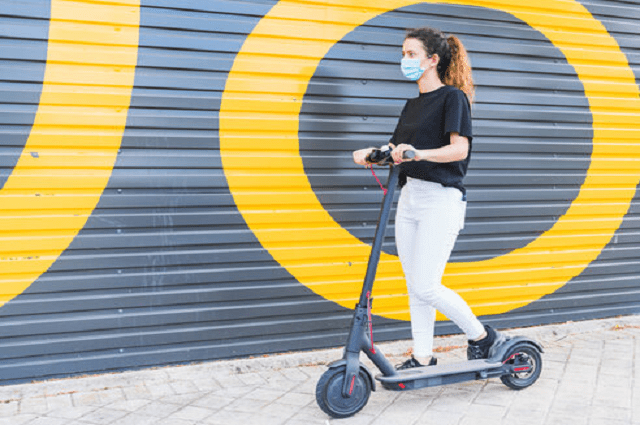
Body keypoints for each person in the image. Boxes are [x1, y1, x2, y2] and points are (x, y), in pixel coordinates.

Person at [352, 27, 502, 369]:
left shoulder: (453, 98)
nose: (404, 60)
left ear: (432, 60)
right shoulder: (413, 105)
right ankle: (422, 356)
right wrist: (370, 154)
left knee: (426, 285)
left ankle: (482, 335)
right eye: (402, 54)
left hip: (441, 199)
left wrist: (417, 154)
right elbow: (396, 150)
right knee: (414, 285)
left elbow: (458, 149)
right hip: (409, 199)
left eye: (411, 54)